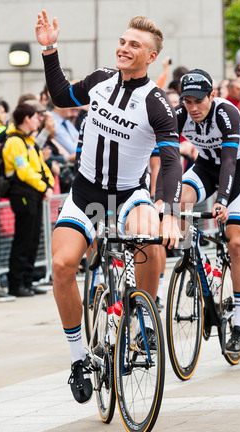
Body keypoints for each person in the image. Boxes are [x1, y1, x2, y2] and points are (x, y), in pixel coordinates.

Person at [35, 10, 182, 404]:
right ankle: (79, 358)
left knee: (151, 241)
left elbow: (170, 161)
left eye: (134, 44)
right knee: (63, 267)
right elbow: (63, 97)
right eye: (122, 41)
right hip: (85, 194)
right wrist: (50, 49)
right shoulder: (100, 80)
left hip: (128, 194)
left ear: (150, 57)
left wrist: (168, 212)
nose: (124, 47)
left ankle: (145, 320)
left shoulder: (156, 104)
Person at [175, 69, 240, 353]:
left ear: (212, 96)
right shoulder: (180, 115)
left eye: (199, 101)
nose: (193, 108)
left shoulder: (227, 113)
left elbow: (230, 161)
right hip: (206, 167)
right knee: (178, 200)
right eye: (187, 101)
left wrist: (222, 200)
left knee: (236, 243)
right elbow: (165, 156)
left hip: (237, 171)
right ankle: (193, 257)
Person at [2, 103, 54, 296]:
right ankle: (16, 284)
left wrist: (47, 184)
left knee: (33, 239)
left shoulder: (28, 140)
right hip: (23, 195)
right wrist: (44, 186)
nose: (39, 120)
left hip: (34, 194)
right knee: (23, 239)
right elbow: (23, 171)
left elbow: (40, 165)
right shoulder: (15, 142)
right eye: (35, 117)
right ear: (26, 118)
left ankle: (28, 280)